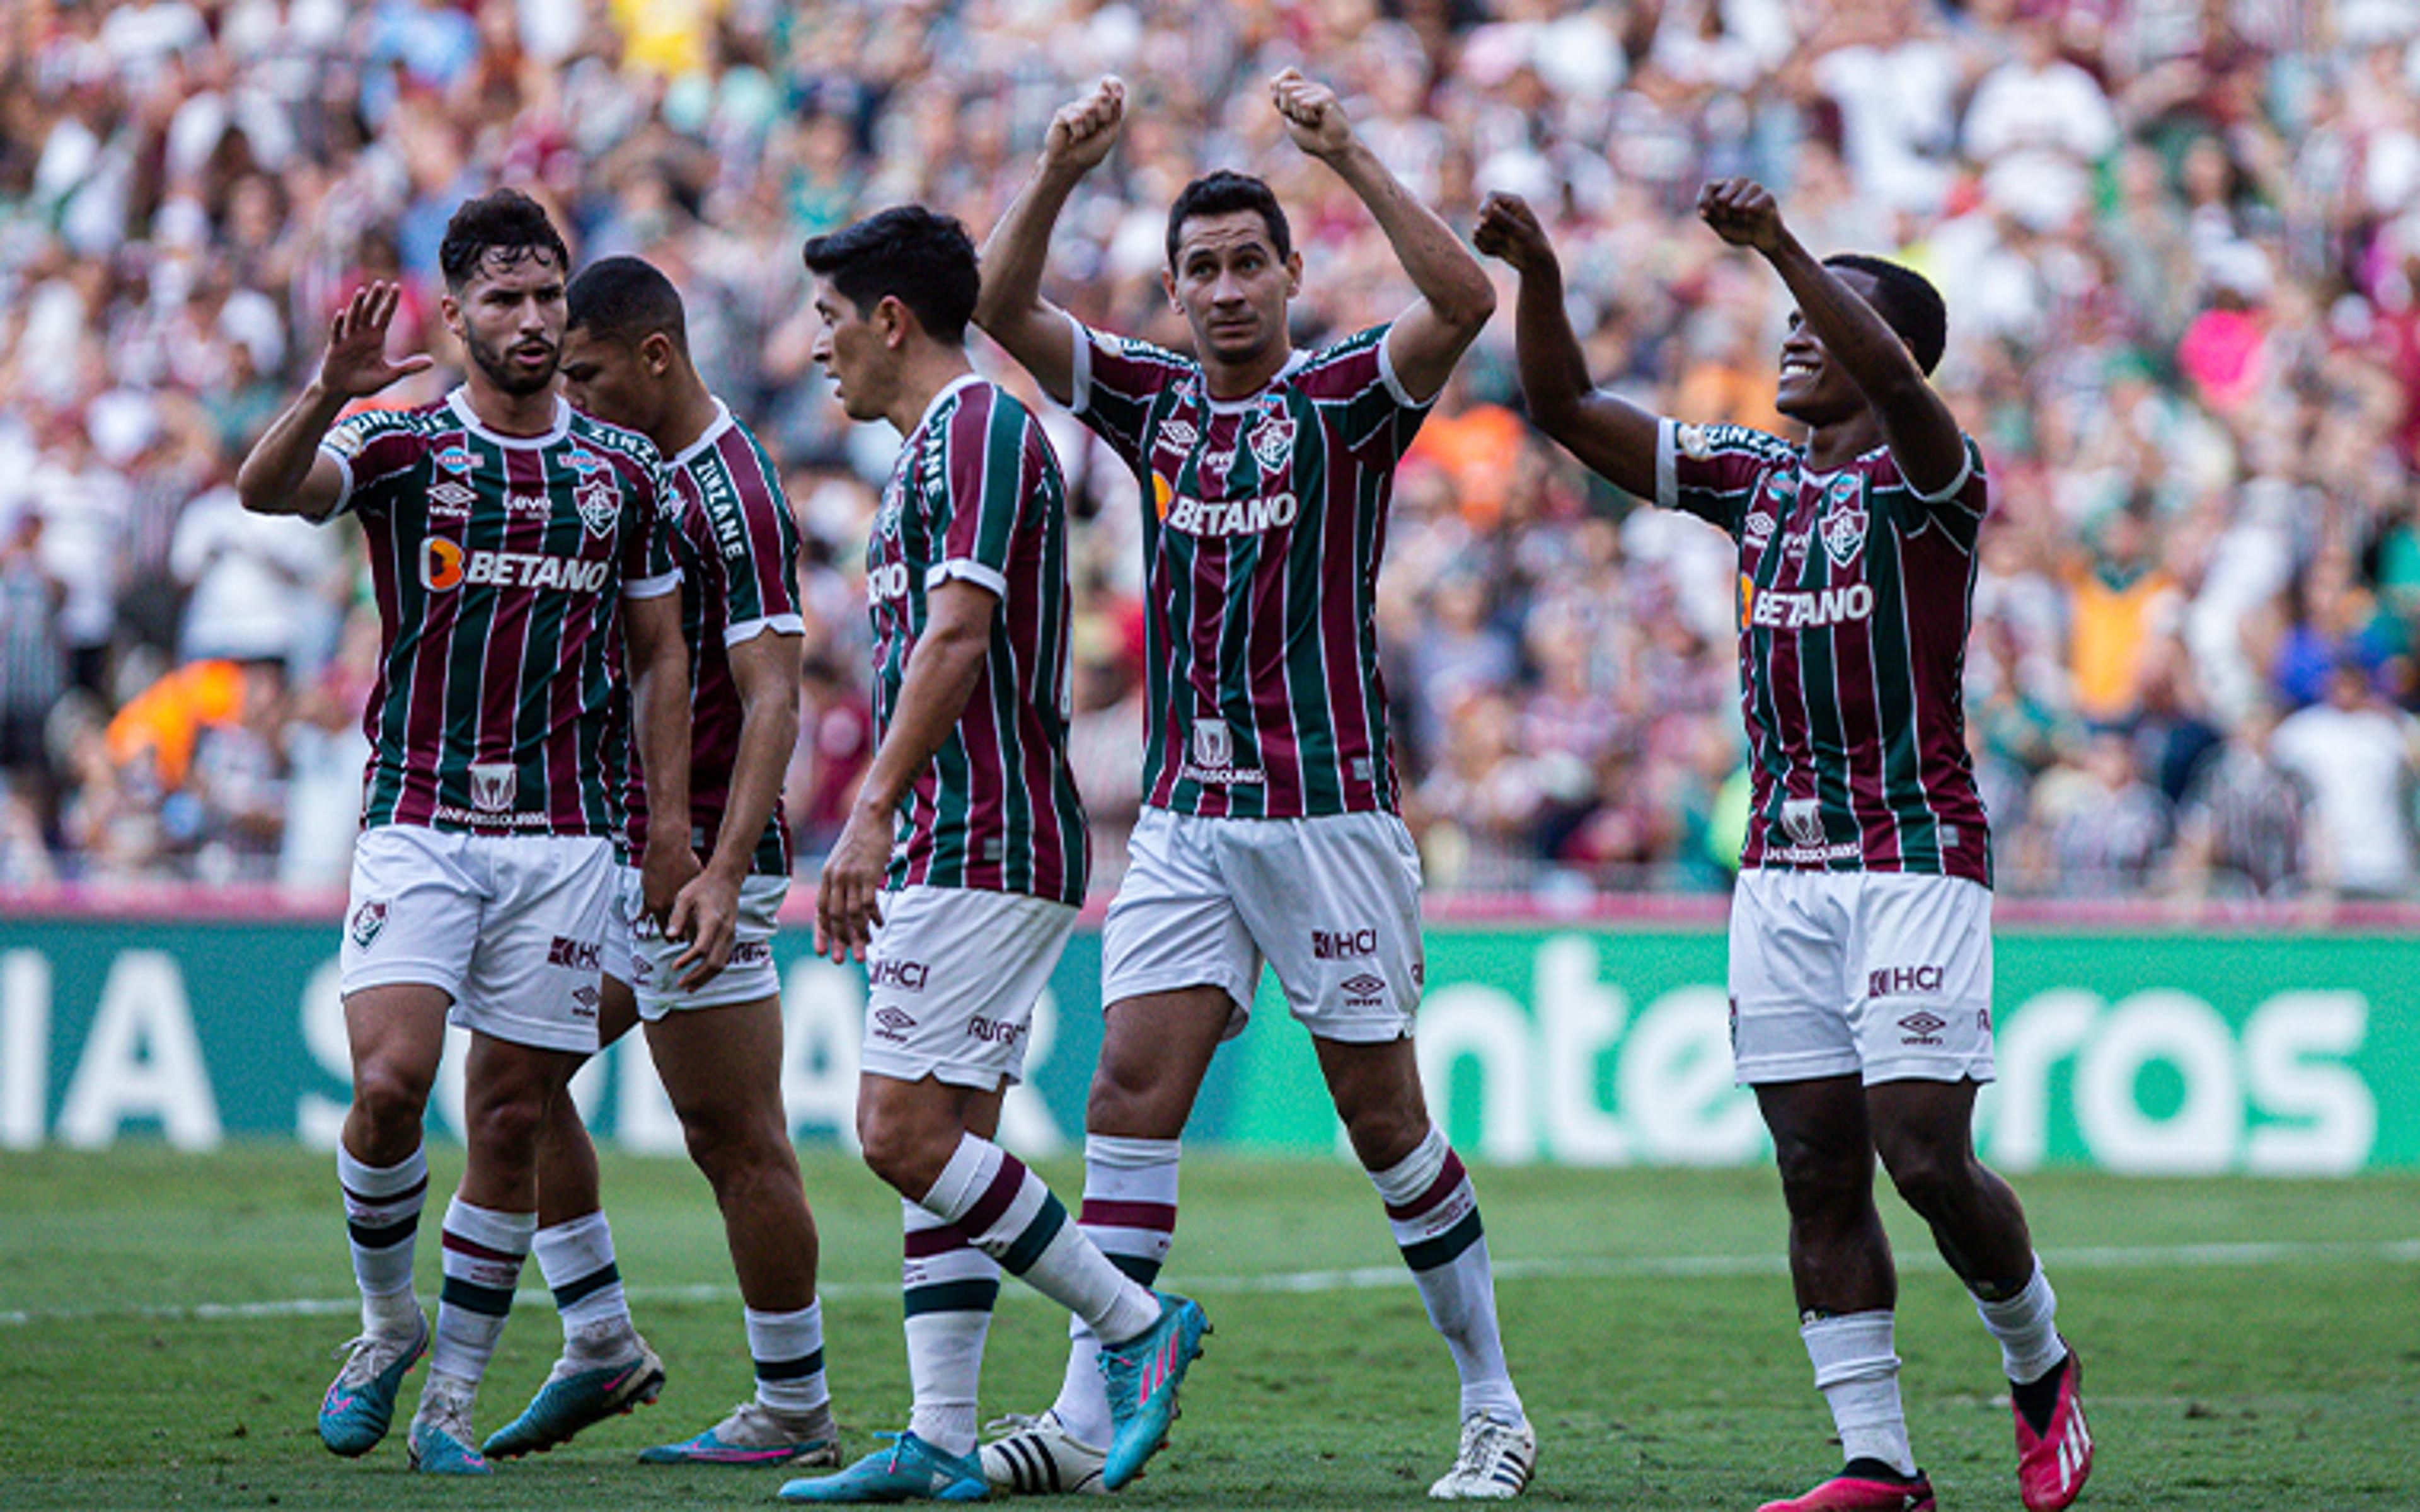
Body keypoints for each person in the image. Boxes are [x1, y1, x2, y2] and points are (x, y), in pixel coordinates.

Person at [1473, 181, 2094, 1512]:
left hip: (1914, 852)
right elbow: (1571, 412)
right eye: (1793, 318)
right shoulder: (1754, 478)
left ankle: (2038, 1364)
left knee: (1920, 1151)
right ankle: (1879, 1465)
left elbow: (1886, 371)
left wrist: (1781, 251)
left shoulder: (1937, 477)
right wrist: (1538, 275)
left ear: (1893, 352)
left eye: (1828, 321)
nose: (1793, 337)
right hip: (1782, 871)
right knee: (1816, 1165)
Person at [975, 73, 1534, 1500]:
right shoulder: (1152, 401)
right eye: (1202, 270)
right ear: (1173, 288)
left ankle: (1494, 1407)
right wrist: (1055, 165)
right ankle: (1093, 1407)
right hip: (1186, 821)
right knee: (1126, 1089)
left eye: (1248, 265)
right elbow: (1002, 306)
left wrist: (1347, 148)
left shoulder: (1345, 397)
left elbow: (1465, 302)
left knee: (1384, 1123)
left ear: (1291, 274)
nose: (1226, 290)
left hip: (1329, 816)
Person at [234, 188, 688, 1475]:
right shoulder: (402, 448)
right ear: (457, 315)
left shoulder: (626, 474)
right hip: (421, 814)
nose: (535, 319)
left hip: (566, 835)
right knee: (387, 1090)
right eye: (506, 299)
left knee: (508, 1120)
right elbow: (266, 490)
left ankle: (452, 1409)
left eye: (549, 296)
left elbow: (660, 657)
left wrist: (664, 824)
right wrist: (328, 393)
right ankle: (389, 1327)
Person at [781, 203, 1207, 1504]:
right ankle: (943, 1435)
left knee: (898, 1131)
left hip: (981, 831)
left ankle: (1137, 1330)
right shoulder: (932, 449)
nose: (820, 350)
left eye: (832, 321)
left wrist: (867, 811)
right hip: (962, 832)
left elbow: (958, 639)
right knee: (952, 1131)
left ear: (891, 320)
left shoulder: (978, 431)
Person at [469, 254, 841, 1469]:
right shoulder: (628, 470)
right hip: (622, 849)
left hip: (695, 862)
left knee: (717, 1132)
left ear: (656, 358)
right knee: (521, 1085)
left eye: (584, 373)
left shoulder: (728, 489)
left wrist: (723, 867)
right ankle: (609, 1344)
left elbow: (773, 692)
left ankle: (756, 1393)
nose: (566, 395)